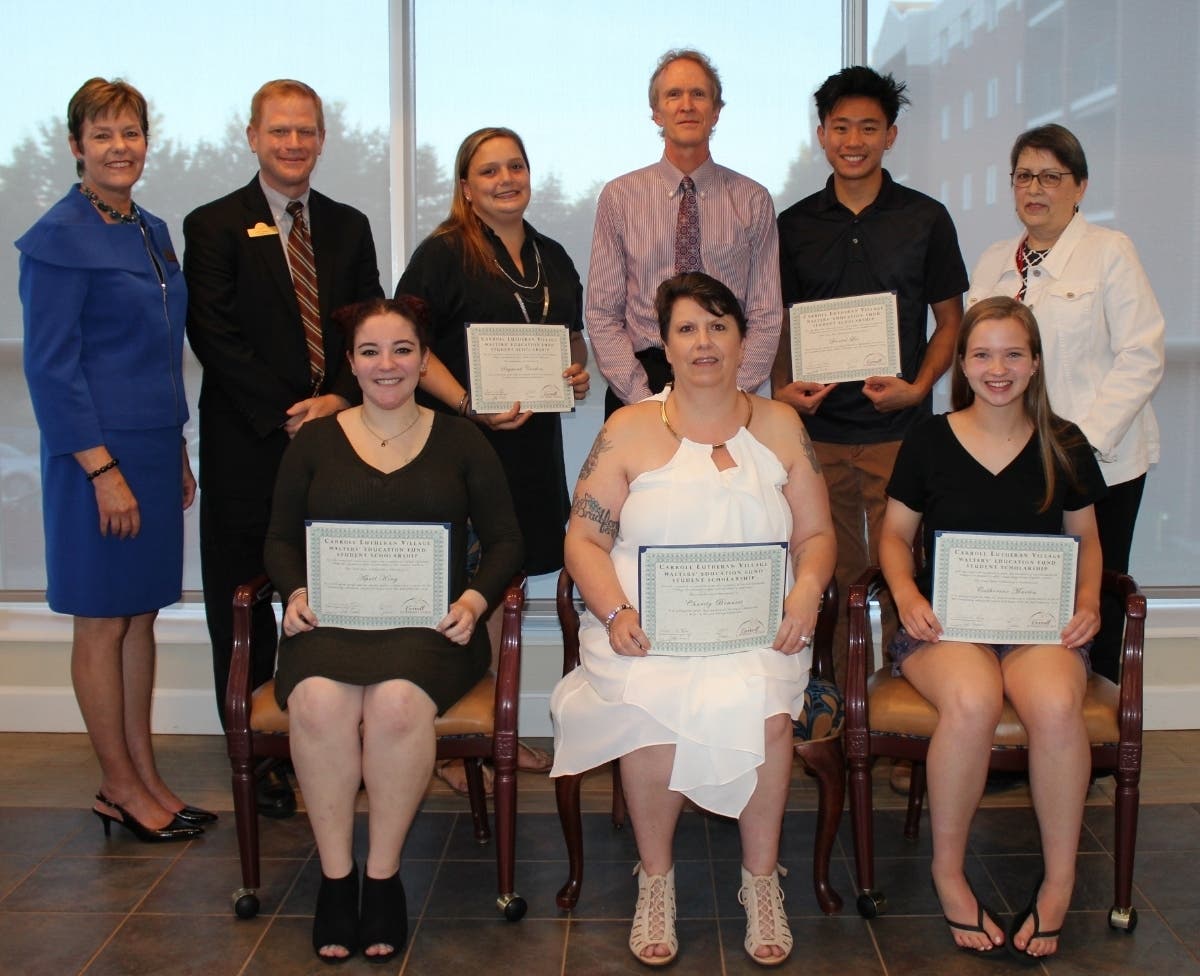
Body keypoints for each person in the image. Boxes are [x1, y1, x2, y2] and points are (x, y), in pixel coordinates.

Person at [551, 273, 836, 967]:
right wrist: (614, 610)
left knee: (768, 709)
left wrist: (806, 595)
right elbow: (582, 540)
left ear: (744, 342)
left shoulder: (782, 426)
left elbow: (818, 535)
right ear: (666, 347)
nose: (703, 342)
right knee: (652, 709)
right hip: (646, 630)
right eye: (686, 329)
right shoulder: (627, 429)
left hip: (755, 628)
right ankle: (656, 879)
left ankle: (761, 881)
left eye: (718, 326)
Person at [264, 296, 523, 963]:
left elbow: (505, 543)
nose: (388, 364)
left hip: (433, 629)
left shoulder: (463, 439)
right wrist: (293, 591)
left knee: (397, 702)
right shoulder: (316, 441)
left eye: (403, 349)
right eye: (371, 351)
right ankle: (334, 877)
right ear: (349, 363)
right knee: (319, 700)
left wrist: (472, 601)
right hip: (331, 620)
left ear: (423, 360)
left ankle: (381, 878)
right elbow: (279, 540)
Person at [879, 296, 1106, 962]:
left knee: (1058, 704)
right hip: (947, 624)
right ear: (963, 362)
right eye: (982, 354)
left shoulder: (1064, 443)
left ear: (1035, 364)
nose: (996, 368)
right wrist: (905, 591)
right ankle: (948, 871)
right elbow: (894, 536)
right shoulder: (928, 439)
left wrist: (1088, 599)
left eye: (1012, 354)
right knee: (973, 701)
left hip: (1038, 624)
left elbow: (1087, 540)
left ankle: (1059, 882)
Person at [184, 79, 383, 816]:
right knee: (239, 607)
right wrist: (283, 411)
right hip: (248, 445)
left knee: (329, 597)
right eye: (279, 131)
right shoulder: (212, 225)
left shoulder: (349, 225)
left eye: (306, 131)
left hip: (334, 443)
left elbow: (368, 321)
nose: (293, 143)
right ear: (252, 135)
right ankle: (259, 760)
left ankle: (327, 742)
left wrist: (336, 397)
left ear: (322, 138)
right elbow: (214, 334)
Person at [16, 78, 206, 841]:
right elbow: (49, 368)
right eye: (102, 135)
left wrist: (179, 448)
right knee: (101, 622)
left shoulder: (149, 229)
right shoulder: (57, 238)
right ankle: (120, 785)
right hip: (95, 460)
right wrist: (102, 469)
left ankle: (141, 775)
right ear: (75, 146)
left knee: (140, 618)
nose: (119, 147)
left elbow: (162, 352)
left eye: (130, 132)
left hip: (156, 450)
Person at [396, 126, 589, 791]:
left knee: (509, 591)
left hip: (534, 451)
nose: (505, 179)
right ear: (465, 188)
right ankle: (452, 742)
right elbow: (406, 344)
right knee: (462, 594)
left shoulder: (553, 255)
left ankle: (494, 734)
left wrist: (576, 372)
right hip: (463, 447)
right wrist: (469, 403)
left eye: (515, 167)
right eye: (489, 171)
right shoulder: (444, 254)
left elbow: (572, 336)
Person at [773, 66, 969, 700]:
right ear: (821, 134)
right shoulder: (794, 224)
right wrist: (782, 388)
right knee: (825, 573)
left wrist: (919, 387)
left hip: (900, 434)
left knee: (904, 573)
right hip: (817, 436)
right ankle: (830, 706)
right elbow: (777, 323)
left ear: (891, 135)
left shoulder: (926, 219)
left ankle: (898, 705)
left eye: (868, 127)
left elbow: (950, 321)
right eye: (839, 127)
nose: (852, 140)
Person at [967, 124, 1164, 684]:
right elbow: (981, 361)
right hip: (1015, 463)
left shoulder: (1110, 253)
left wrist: (1081, 446)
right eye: (1025, 175)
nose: (1036, 188)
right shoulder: (993, 263)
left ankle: (1090, 742)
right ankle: (1019, 733)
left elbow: (1142, 355)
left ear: (1080, 187)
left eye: (1052, 176)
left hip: (1102, 463)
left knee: (1091, 603)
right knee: (1021, 604)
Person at [588, 49, 782, 417]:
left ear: (716, 111)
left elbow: (766, 313)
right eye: (674, 95)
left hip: (726, 376)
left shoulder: (753, 200)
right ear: (656, 113)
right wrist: (642, 398)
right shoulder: (619, 197)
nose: (687, 105)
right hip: (642, 379)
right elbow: (602, 312)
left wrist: (733, 391)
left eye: (699, 94)